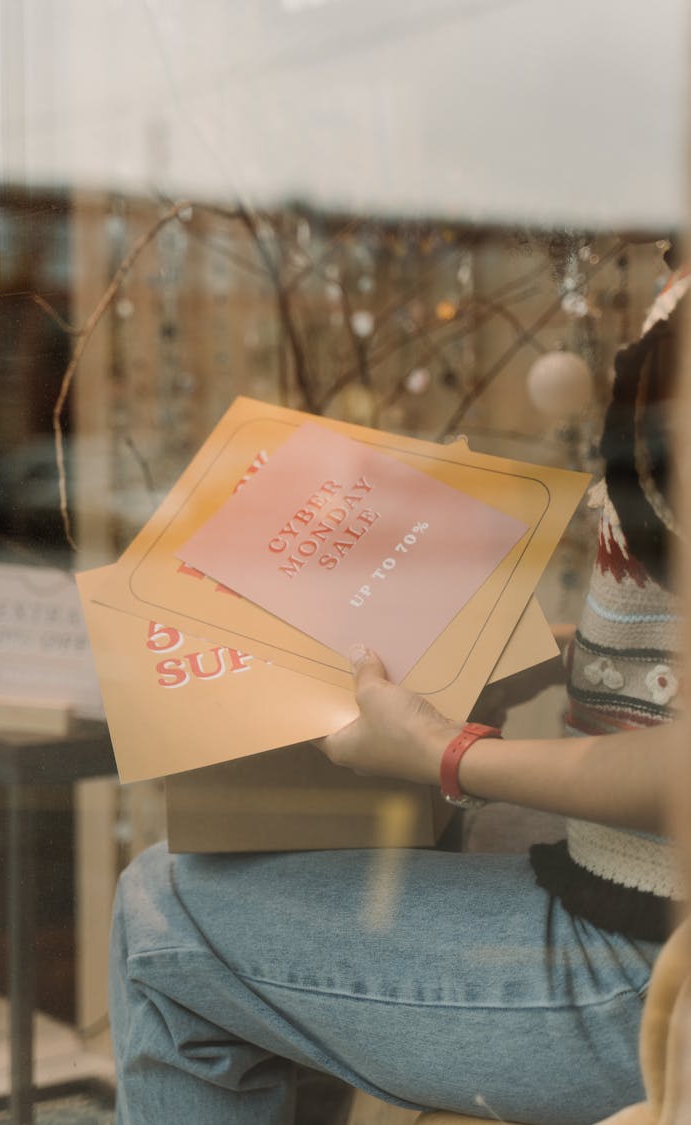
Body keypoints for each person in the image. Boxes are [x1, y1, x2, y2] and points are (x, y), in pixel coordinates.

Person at [108, 275, 686, 1125]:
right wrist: (527, 652)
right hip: (634, 890)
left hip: (647, 959)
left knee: (163, 910)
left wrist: (446, 753)